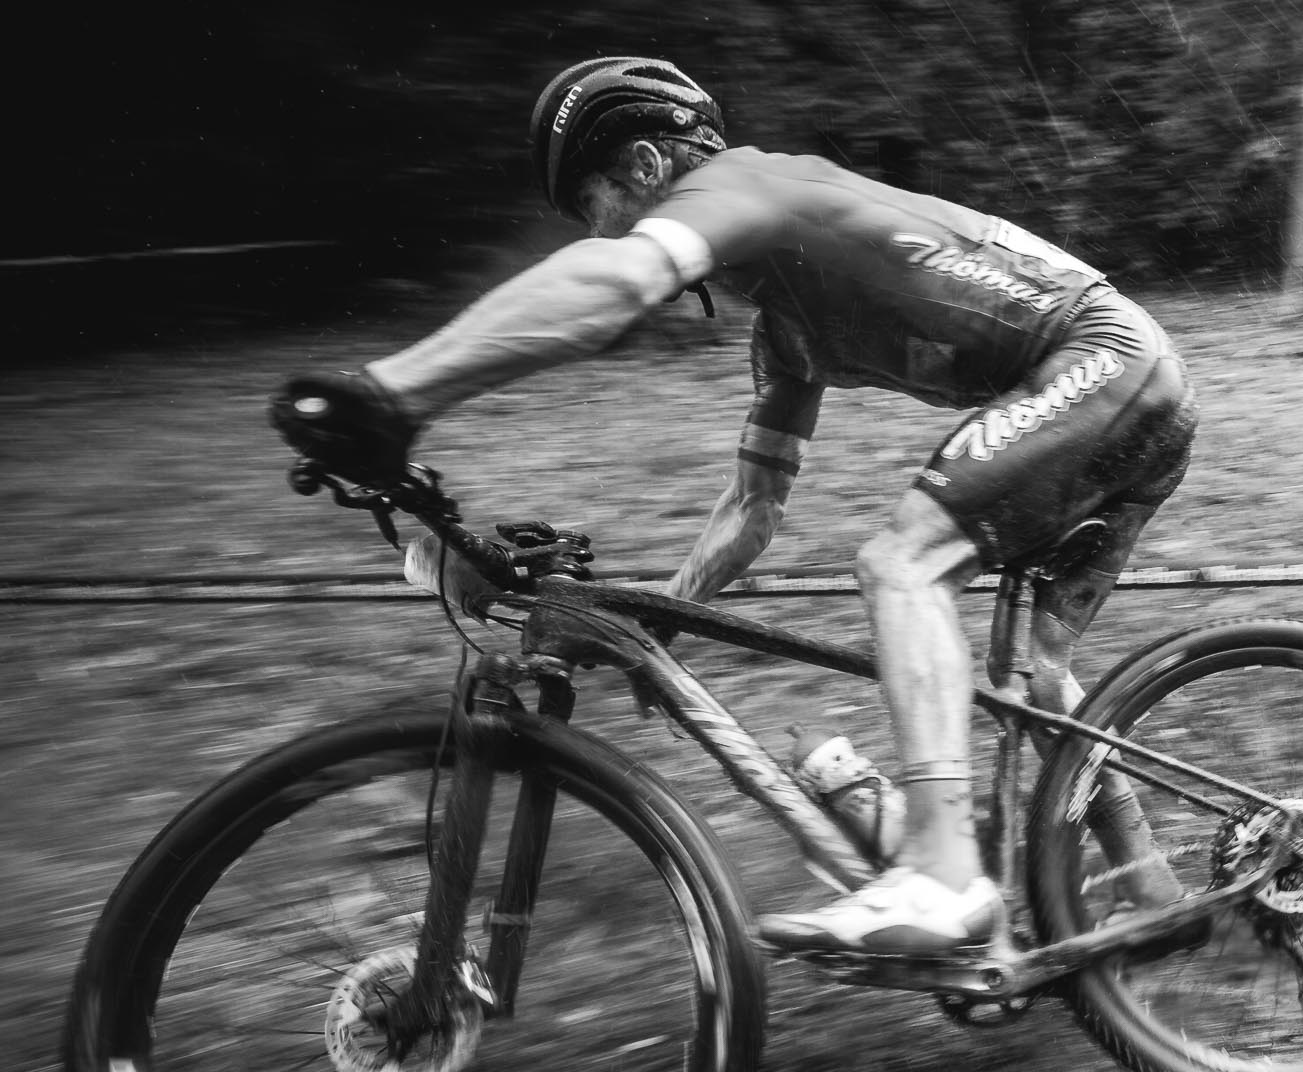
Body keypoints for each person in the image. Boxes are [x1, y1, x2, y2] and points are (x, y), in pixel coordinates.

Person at [271, 56, 1196, 956]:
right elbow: (753, 509)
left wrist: (394, 394)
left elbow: (616, 285)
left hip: (1104, 360)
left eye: (593, 206)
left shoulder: (753, 185)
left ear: (646, 165)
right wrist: (662, 622)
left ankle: (945, 876)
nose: (597, 232)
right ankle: (1150, 887)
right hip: (1119, 384)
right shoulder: (784, 331)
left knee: (902, 564)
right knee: (1031, 670)